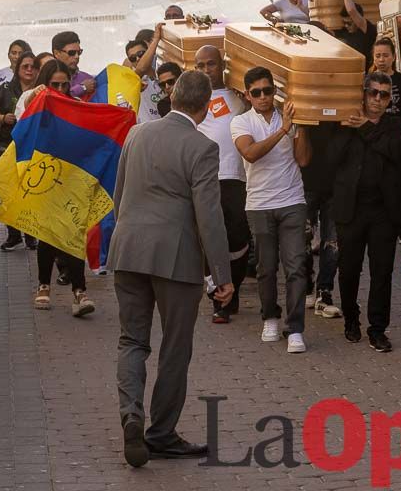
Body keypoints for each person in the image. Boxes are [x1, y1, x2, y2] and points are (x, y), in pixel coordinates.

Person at [107, 70, 234, 467]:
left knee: (132, 340)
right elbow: (209, 217)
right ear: (205, 105)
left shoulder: (136, 135)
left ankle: (131, 414)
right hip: (175, 258)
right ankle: (160, 433)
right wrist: (222, 277)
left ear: (173, 95)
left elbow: (119, 193)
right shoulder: (202, 146)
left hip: (128, 250)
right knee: (175, 347)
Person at [232, 66, 312, 353]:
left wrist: (298, 128)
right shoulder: (240, 123)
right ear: (247, 95)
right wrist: (283, 130)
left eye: (268, 90)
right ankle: (269, 317)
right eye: (257, 93)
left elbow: (303, 160)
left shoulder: (290, 118)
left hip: (292, 200)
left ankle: (296, 328)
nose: (264, 97)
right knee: (266, 268)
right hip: (259, 204)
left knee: (296, 267)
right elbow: (250, 153)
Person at [329, 72, 401, 352]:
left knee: (382, 272)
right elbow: (331, 159)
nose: (377, 99)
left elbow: (397, 152)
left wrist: (365, 127)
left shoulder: (395, 126)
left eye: (383, 95)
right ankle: (351, 318)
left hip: (383, 212)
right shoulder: (345, 122)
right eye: (373, 92)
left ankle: (378, 329)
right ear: (363, 93)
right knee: (349, 269)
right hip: (350, 210)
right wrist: (349, 126)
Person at [24, 59, 96, 316]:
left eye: (65, 84)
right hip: (42, 176)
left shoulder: (76, 105)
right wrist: (38, 96)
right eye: (55, 84)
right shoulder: (33, 100)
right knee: (48, 233)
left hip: (71, 176)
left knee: (74, 233)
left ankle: (80, 291)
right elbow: (24, 120)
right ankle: (44, 285)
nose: (61, 89)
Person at [193, 46, 252, 324]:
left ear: (222, 65)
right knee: (211, 240)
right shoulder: (192, 98)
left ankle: (234, 287)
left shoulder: (238, 95)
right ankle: (218, 299)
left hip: (236, 178)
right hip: (206, 179)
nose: (206, 70)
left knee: (239, 239)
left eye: (211, 64)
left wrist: (248, 99)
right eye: (200, 66)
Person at [0, 51, 39, 251]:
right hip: (9, 146)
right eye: (24, 66)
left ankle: (31, 234)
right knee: (10, 192)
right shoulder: (6, 89)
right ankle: (13, 234)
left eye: (32, 66)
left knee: (30, 191)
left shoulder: (41, 90)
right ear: (17, 69)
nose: (28, 70)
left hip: (33, 148)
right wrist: (3, 119)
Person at [371, 37, 401, 244]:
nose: (381, 59)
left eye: (385, 55)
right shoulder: (368, 80)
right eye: (378, 55)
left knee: (400, 183)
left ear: (394, 57)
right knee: (379, 181)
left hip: (400, 138)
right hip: (377, 138)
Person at [301, 119, 342, 319]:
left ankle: (324, 292)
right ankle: (307, 286)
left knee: (332, 241)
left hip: (336, 183)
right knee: (303, 239)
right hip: (305, 180)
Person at [124, 28, 165, 122]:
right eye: (133, 58)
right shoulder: (132, 78)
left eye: (141, 54)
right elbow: (142, 68)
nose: (138, 59)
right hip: (145, 131)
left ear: (148, 53)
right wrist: (156, 39)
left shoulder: (162, 72)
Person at [51, 31, 96, 101]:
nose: (76, 56)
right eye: (71, 53)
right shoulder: (46, 77)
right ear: (56, 53)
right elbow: (53, 100)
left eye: (79, 52)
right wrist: (82, 88)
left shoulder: (88, 80)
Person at [336, 2, 377, 71]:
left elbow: (351, 11)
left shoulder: (367, 30)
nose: (346, 26)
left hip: (364, 73)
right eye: (344, 23)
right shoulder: (343, 32)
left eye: (349, 23)